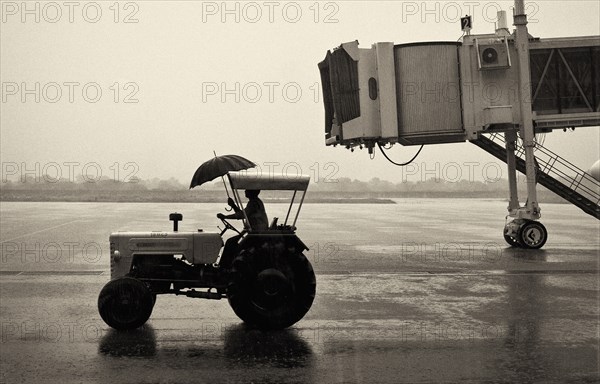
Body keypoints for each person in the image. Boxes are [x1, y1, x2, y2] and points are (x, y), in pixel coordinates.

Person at [217, 190, 268, 266]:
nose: (245, 191)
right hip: (252, 232)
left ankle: (225, 266)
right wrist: (233, 205)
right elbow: (244, 214)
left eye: (247, 190)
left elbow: (242, 215)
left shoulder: (253, 203)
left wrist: (225, 216)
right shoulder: (254, 202)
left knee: (231, 243)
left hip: (256, 233)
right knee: (231, 241)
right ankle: (226, 265)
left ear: (252, 192)